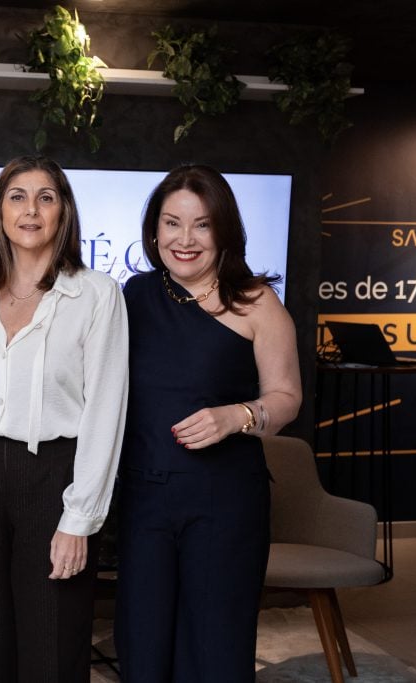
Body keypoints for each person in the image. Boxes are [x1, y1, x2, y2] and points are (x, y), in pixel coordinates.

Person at [114, 164, 302, 682]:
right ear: (154, 232)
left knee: (216, 643)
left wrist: (239, 415)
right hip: (144, 498)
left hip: (225, 501)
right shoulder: (133, 298)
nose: (185, 239)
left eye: (201, 224)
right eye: (172, 223)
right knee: (143, 641)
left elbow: (287, 399)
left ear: (224, 229)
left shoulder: (258, 302)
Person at [0, 155, 129, 683]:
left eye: (46, 197)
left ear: (64, 213)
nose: (31, 210)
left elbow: (106, 411)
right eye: (17, 196)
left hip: (55, 476)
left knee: (53, 640)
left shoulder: (96, 294)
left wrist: (79, 519)